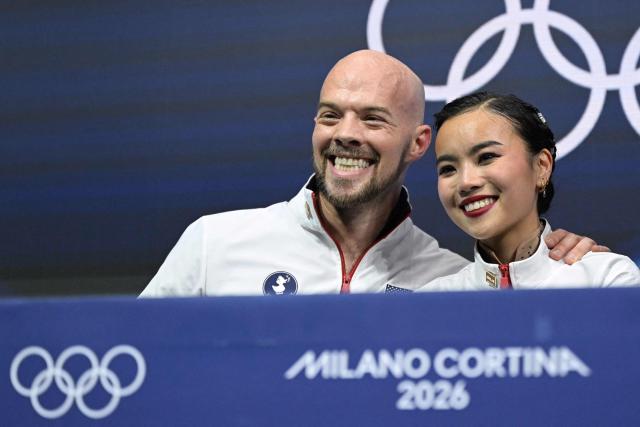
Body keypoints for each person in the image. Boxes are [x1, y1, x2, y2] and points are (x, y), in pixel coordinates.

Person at [140, 50, 601, 297]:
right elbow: (132, 367)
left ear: (418, 143)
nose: (346, 134)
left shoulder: (446, 283)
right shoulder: (213, 245)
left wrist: (557, 262)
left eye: (373, 119)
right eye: (329, 115)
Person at [419, 92, 640, 291]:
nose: (466, 182)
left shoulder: (606, 279)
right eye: (448, 169)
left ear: (541, 166)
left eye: (486, 157)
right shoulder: (429, 302)